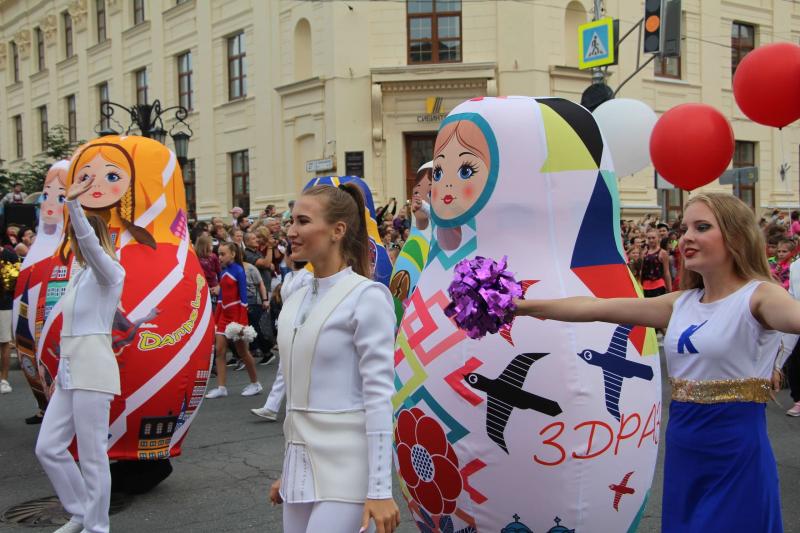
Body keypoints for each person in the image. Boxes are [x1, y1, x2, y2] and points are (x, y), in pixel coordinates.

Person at [515, 193, 789, 533]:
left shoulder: (760, 296)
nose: (686, 236)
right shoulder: (680, 303)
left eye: (702, 227)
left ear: (736, 236)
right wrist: (520, 306)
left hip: (735, 452)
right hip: (684, 446)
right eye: (686, 227)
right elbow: (593, 308)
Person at [268, 184, 400, 533]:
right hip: (300, 464)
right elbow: (298, 390)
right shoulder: (295, 293)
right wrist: (288, 470)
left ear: (337, 231)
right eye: (290, 220)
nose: (291, 231)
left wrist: (380, 489)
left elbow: (379, 397)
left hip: (348, 467)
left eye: (303, 221)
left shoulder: (366, 297)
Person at [34, 175, 126, 533]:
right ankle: (81, 513)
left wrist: (73, 206)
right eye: (72, 238)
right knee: (48, 447)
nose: (74, 243)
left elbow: (90, 247)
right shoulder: (79, 277)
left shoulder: (111, 273)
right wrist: (59, 374)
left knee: (92, 457)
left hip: (95, 370)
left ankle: (96, 527)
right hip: (71, 370)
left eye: (78, 237)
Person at [251, 243, 311, 421]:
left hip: (300, 327)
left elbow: (307, 305)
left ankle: (289, 408)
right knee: (284, 368)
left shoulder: (307, 277)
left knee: (296, 369)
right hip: (288, 326)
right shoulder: (290, 276)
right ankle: (273, 407)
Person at [205, 241, 262, 398]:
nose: (220, 257)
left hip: (236, 315)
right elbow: (222, 299)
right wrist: (216, 321)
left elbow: (243, 298)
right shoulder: (223, 272)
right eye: (219, 254)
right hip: (224, 315)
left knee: (243, 351)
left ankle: (255, 383)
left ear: (233, 254)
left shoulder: (238, 271)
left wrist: (241, 322)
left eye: (223, 254)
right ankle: (222, 388)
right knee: (220, 350)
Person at [0, 246, 19, 394]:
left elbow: (17, 281)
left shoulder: (9, 255)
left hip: (4, 304)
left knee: (4, 342)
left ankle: (4, 379)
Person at [639, 228, 672, 296]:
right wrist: (641, 283)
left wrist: (669, 289)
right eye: (649, 238)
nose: (651, 240)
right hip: (646, 286)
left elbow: (666, 272)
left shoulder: (663, 252)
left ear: (659, 238)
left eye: (653, 238)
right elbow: (642, 270)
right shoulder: (645, 252)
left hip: (658, 286)